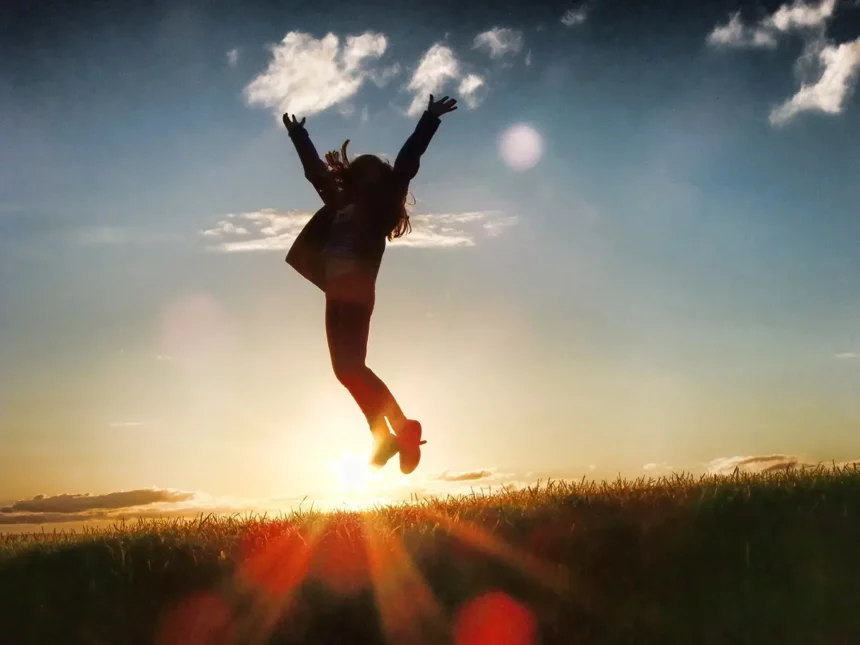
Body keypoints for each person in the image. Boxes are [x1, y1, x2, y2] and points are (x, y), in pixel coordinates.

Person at [282, 94, 458, 474]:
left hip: (357, 288)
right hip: (335, 290)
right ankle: (395, 433)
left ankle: (391, 432)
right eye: (359, 169)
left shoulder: (382, 203)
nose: (364, 172)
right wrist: (299, 136)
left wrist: (429, 118)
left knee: (353, 366)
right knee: (346, 369)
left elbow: (408, 163)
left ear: (378, 177)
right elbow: (316, 174)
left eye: (370, 169)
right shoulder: (338, 199)